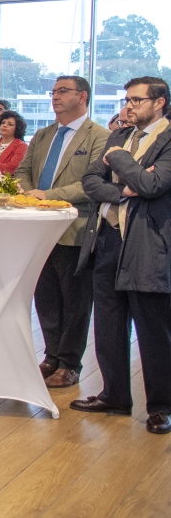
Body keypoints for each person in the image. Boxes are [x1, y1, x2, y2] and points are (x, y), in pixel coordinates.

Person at [75, 77, 171, 434]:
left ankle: (161, 407)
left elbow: (153, 185)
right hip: (107, 239)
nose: (128, 106)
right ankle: (114, 395)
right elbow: (90, 181)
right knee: (108, 323)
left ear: (159, 102)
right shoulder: (119, 135)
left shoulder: (165, 139)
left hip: (147, 243)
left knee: (153, 330)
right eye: (127, 99)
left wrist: (118, 159)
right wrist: (123, 191)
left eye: (136, 100)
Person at [14, 75, 109, 388]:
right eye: (53, 92)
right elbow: (23, 171)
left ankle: (70, 363)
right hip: (38, 230)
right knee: (45, 297)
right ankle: (52, 356)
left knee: (75, 300)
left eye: (63, 91)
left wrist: (49, 196)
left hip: (75, 229)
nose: (55, 97)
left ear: (82, 96)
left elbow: (92, 183)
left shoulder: (99, 136)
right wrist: (30, 195)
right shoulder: (43, 134)